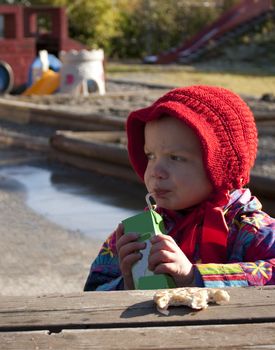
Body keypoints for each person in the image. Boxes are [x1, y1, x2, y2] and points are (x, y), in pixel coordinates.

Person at [84, 85, 275, 291]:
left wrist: (192, 276)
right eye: (150, 155)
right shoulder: (136, 235)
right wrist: (127, 283)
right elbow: (93, 291)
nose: (156, 171)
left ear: (221, 167)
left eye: (176, 158)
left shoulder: (251, 230)